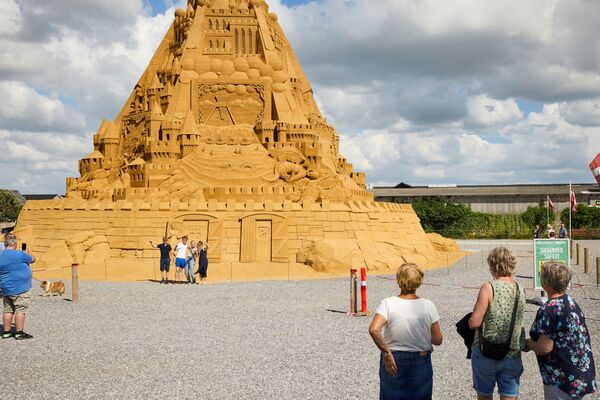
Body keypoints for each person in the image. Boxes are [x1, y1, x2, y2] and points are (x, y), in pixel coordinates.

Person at [368, 263, 443, 400]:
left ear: (398, 280)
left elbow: (374, 330)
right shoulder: (428, 305)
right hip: (420, 360)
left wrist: (386, 353)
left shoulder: (388, 303)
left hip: (393, 359)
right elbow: (438, 340)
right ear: (419, 281)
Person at [525, 261, 597, 399]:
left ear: (546, 283)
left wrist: (528, 344)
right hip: (580, 373)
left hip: (561, 379)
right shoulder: (570, 302)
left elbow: (544, 347)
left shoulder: (549, 309)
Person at [469, 247, 526, 400]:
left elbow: (474, 323)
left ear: (493, 266)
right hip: (512, 352)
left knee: (484, 396)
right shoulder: (520, 289)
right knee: (509, 396)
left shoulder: (489, 287)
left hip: (486, 351)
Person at [0, 234, 36, 340]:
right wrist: (27, 253)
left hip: (6, 288)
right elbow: (33, 259)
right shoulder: (20, 254)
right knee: (21, 309)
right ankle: (19, 332)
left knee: (7, 309)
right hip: (21, 288)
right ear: (15, 244)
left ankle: (6, 332)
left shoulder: (1, 255)